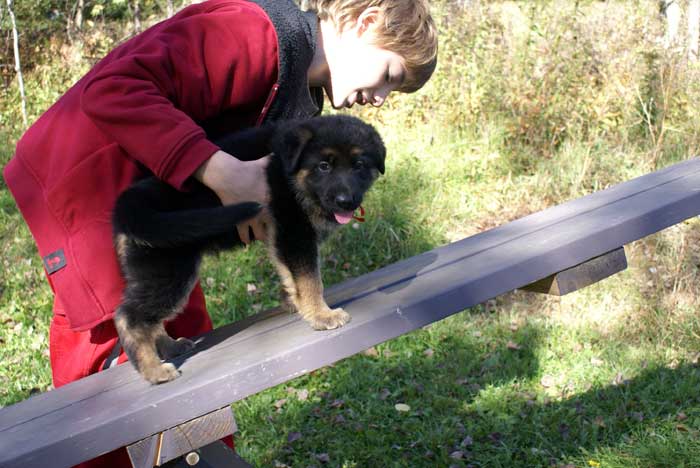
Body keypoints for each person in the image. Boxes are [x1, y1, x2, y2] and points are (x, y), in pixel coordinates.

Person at [3, 0, 437, 465]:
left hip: (165, 195)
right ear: (366, 22)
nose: (381, 98)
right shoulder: (251, 34)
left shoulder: (299, 95)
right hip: (92, 183)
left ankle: (204, 454)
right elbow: (112, 89)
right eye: (391, 76)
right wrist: (222, 172)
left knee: (190, 338)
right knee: (109, 359)